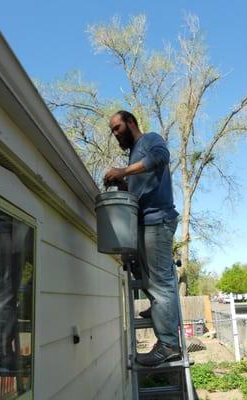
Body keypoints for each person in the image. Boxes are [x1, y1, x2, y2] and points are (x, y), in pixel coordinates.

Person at [104, 110, 180, 366]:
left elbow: (162, 157)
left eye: (117, 128)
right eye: (112, 130)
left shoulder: (149, 140)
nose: (115, 134)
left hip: (158, 220)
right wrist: (123, 185)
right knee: (144, 274)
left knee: (160, 282)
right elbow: (141, 184)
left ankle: (169, 345)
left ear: (131, 122)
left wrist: (123, 171)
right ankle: (160, 311)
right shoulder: (133, 154)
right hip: (144, 222)